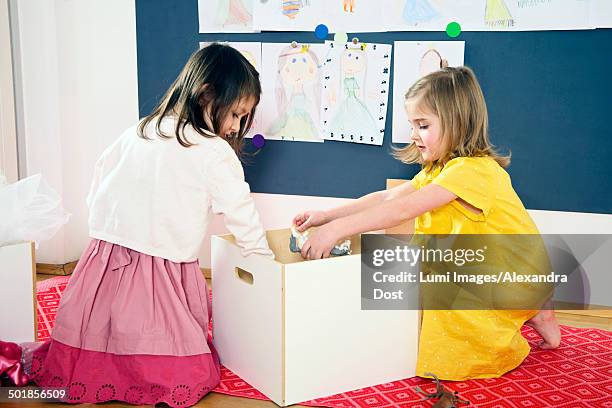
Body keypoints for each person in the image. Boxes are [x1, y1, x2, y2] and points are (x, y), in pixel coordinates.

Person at [30, 43, 273, 406]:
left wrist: (106, 232)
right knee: (180, 364)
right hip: (160, 265)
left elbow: (101, 177)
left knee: (98, 332)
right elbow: (241, 211)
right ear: (206, 95)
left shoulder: (142, 130)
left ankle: (104, 370)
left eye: (243, 119)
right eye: (236, 115)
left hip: (104, 255)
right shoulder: (212, 151)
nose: (236, 127)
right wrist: (262, 258)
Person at [293, 66, 560, 380]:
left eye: (422, 125)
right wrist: (329, 216)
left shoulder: (472, 171)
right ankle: (537, 307)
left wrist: (338, 230)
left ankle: (535, 304)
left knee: (450, 345)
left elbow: (403, 210)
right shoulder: (440, 169)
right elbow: (387, 199)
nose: (413, 135)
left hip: (511, 271)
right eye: (412, 125)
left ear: (456, 123)